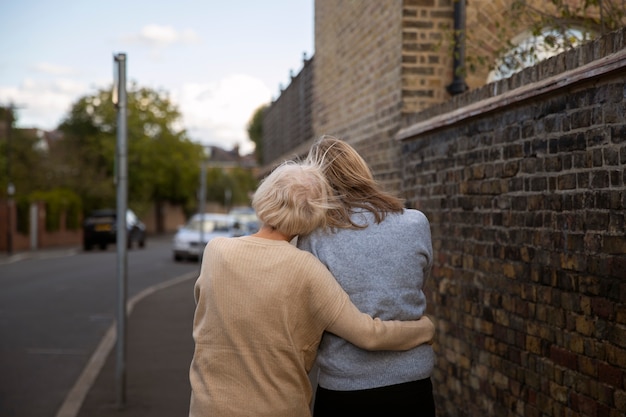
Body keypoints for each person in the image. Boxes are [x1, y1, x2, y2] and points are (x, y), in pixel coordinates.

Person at [188, 160, 436, 417]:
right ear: (314, 216)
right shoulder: (307, 269)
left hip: (209, 409)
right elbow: (368, 334)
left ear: (265, 195)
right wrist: (424, 328)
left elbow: (207, 311)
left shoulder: (216, 251)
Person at [298, 136, 437, 416]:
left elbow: (312, 313)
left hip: (344, 389)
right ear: (360, 170)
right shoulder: (415, 222)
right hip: (412, 385)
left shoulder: (314, 238)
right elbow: (416, 283)